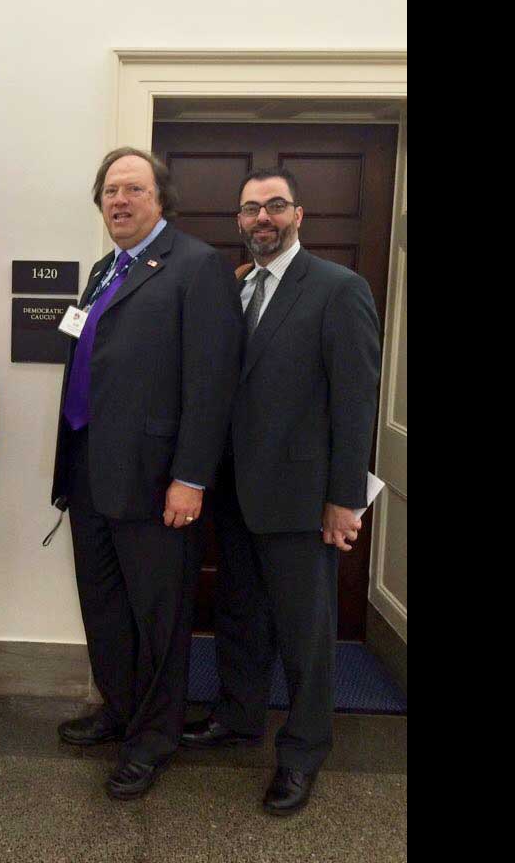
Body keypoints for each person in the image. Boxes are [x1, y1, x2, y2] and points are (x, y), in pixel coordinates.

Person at [179, 167, 381, 816]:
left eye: (274, 206)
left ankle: (302, 751)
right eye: (250, 209)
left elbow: (355, 404)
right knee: (239, 615)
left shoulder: (338, 289)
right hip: (234, 495)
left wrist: (344, 498)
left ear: (299, 215)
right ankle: (238, 717)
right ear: (238, 221)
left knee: (305, 631)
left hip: (300, 499)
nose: (261, 217)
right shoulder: (233, 287)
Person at [50, 146, 242, 800]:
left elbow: (212, 384)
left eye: (132, 188)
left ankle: (153, 738)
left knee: (158, 615)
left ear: (161, 198)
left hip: (157, 481)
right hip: (88, 473)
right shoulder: (106, 268)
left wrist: (190, 477)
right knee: (104, 609)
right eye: (109, 190)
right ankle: (121, 709)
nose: (119, 200)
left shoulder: (196, 267)